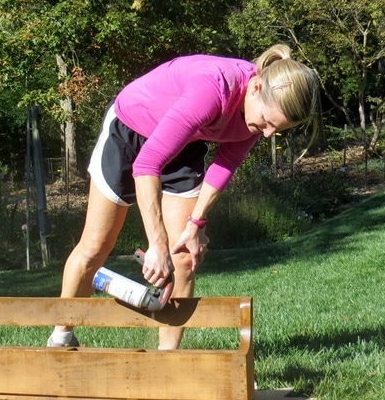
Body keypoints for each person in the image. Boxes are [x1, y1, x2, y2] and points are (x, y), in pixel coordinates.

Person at [47, 44, 319, 349]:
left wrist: (195, 224)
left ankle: (168, 362)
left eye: (276, 130)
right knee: (96, 246)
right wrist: (157, 245)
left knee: (185, 258)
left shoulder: (257, 116)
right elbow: (146, 164)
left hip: (185, 144)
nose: (267, 133)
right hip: (130, 131)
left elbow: (224, 166)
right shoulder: (213, 89)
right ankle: (61, 337)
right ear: (255, 88)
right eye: (267, 122)